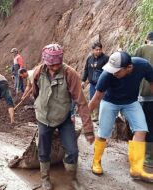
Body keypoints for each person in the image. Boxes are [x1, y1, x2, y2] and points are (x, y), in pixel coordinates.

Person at [32, 44, 94, 190]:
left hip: (63, 117)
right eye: (51, 65)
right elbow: (35, 92)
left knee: (72, 150)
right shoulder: (38, 72)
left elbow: (81, 102)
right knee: (43, 149)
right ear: (45, 62)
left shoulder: (70, 74)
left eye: (58, 64)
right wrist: (39, 107)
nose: (55, 67)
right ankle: (45, 178)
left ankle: (72, 178)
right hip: (44, 118)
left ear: (62, 60)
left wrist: (88, 129)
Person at [88, 51, 153, 182]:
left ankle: (136, 169)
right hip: (109, 102)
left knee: (141, 130)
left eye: (117, 71)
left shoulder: (143, 65)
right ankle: (96, 162)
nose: (113, 72)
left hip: (131, 102)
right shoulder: (107, 75)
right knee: (103, 133)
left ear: (129, 67)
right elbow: (96, 99)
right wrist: (84, 116)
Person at [135, 31, 153, 168]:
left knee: (141, 127)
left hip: (143, 96)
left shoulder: (142, 49)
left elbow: (130, 66)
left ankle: (139, 157)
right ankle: (149, 157)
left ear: (147, 40)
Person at [81, 42, 109, 121]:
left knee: (103, 100)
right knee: (93, 99)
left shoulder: (106, 58)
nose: (98, 51)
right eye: (96, 50)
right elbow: (86, 70)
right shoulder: (89, 59)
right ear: (93, 50)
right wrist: (83, 80)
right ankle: (96, 116)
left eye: (100, 49)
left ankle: (102, 117)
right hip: (93, 84)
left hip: (103, 84)